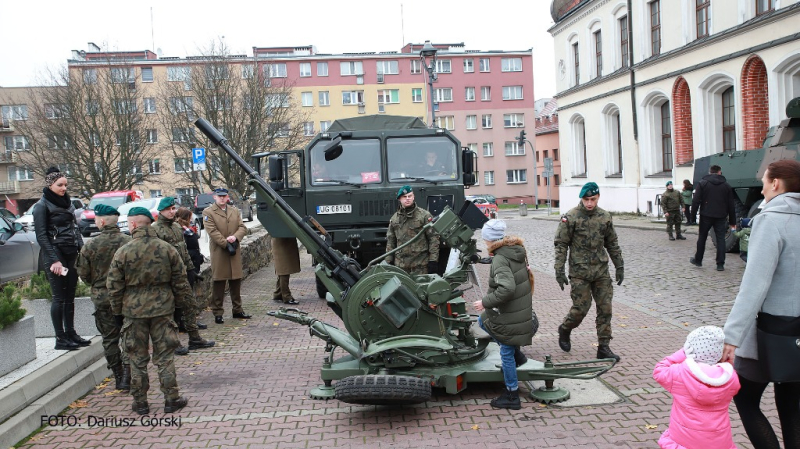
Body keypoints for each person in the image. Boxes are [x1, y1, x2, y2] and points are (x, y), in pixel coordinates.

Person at [721, 159, 800, 449]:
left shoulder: (770, 219)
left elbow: (755, 285)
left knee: (744, 396)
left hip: (774, 328)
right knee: (792, 403)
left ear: (776, 183)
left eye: (765, 180)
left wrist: (732, 336)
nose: (763, 187)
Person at [107, 207, 191, 415]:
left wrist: (118, 312)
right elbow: (181, 280)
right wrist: (182, 306)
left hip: (134, 312)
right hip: (163, 309)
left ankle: (140, 402)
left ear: (134, 224)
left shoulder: (123, 251)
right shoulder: (167, 249)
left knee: (136, 357)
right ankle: (171, 399)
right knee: (165, 356)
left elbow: (114, 286)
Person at [555, 182, 624, 362]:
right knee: (580, 309)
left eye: (593, 199)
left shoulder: (604, 217)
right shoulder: (571, 217)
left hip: (601, 271)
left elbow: (612, 243)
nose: (589, 203)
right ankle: (565, 328)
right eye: (586, 199)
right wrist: (559, 269)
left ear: (598, 197)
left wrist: (619, 265)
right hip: (580, 272)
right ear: (581, 199)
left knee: (605, 309)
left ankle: (603, 347)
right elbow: (561, 244)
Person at [472, 219, 534, 410]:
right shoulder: (514, 250)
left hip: (510, 314)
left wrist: (485, 302)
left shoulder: (500, 258)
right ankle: (519, 356)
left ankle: (512, 394)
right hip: (518, 311)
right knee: (483, 322)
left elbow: (506, 288)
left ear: (488, 240)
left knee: (505, 352)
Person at [653, 326, 740, 449]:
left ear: (690, 349)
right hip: (718, 442)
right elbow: (734, 388)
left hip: (684, 440)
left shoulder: (679, 373)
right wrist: (725, 362)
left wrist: (682, 353)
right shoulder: (730, 378)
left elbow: (659, 370)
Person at [75, 204, 132, 390]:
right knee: (129, 335)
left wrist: (99, 283)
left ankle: (118, 376)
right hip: (127, 296)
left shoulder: (90, 245)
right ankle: (128, 373)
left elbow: (84, 274)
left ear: (101, 221)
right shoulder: (128, 242)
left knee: (109, 338)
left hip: (103, 297)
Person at [32, 167, 86, 351]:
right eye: (60, 185)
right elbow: (41, 236)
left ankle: (71, 333)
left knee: (70, 296)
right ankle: (60, 338)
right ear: (50, 184)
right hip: (56, 256)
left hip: (71, 253)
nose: (64, 188)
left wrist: (82, 250)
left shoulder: (68, 204)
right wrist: (54, 260)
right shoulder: (41, 206)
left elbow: (75, 229)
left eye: (65, 185)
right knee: (59, 297)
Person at [152, 197, 214, 355]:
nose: (172, 211)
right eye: (169, 209)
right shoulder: (155, 230)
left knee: (189, 305)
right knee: (172, 311)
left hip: (183, 273)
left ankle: (194, 338)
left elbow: (184, 251)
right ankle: (173, 343)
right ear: (161, 211)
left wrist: (191, 269)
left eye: (174, 208)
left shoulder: (176, 227)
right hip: (168, 276)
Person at [202, 188, 251, 324]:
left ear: (227, 197)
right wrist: (225, 243)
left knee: (236, 280)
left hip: (234, 248)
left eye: (224, 196)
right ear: (215, 197)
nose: (222, 198)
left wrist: (235, 238)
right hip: (220, 251)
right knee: (219, 281)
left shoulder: (234, 210)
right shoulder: (208, 212)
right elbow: (212, 231)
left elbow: (242, 227)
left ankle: (237, 309)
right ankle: (217, 311)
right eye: (219, 196)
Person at [385, 185, 440, 276]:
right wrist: (388, 261)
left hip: (421, 267)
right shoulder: (394, 219)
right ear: (399, 199)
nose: (407, 199)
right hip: (401, 268)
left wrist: (433, 260)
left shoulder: (424, 216)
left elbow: (433, 238)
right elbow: (391, 242)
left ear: (413, 197)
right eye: (404, 197)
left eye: (409, 196)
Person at [690, 165, 736, 271]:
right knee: (720, 239)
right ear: (720, 172)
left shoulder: (703, 183)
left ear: (710, 172)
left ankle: (698, 260)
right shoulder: (726, 186)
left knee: (702, 238)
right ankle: (720, 264)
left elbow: (696, 201)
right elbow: (731, 205)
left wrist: (692, 217)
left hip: (706, 215)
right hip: (721, 216)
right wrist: (732, 221)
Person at [272, 237, 301, 305]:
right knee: (284, 271)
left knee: (283, 270)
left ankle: (278, 294)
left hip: (284, 243)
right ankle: (286, 296)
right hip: (282, 244)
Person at [175, 207, 204, 275]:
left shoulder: (187, 229)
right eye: (190, 217)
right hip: (190, 265)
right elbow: (184, 249)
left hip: (193, 262)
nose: (191, 219)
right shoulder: (182, 231)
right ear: (186, 218)